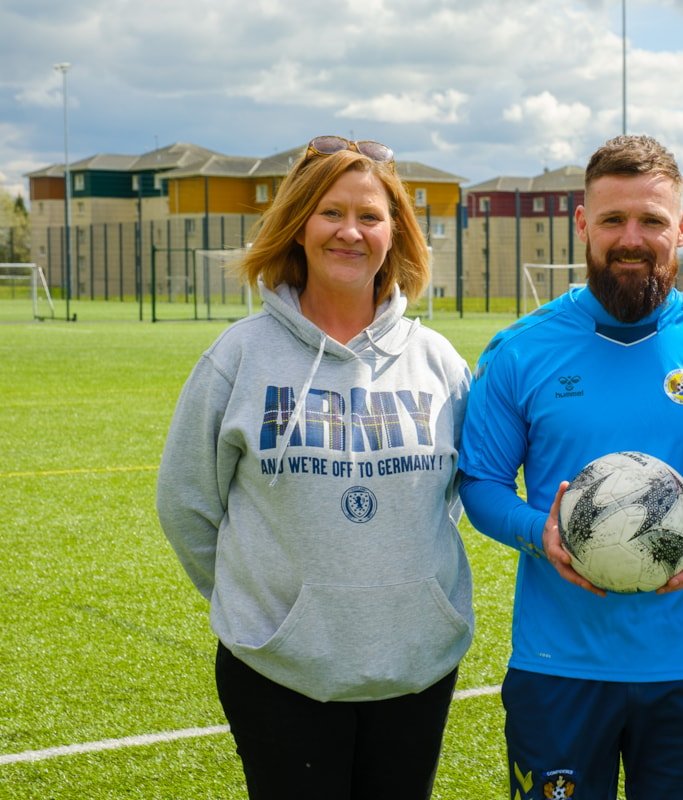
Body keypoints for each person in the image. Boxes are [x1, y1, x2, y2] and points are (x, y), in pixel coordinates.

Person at [458, 134, 683, 800]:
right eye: (612, 220)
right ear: (583, 224)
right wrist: (535, 532)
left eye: (652, 221)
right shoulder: (520, 351)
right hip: (559, 667)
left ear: (682, 229)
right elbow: (481, 483)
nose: (631, 238)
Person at [156, 135, 473, 800]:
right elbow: (186, 503)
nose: (350, 232)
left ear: (396, 233)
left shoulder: (438, 360)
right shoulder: (240, 356)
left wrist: (418, 601)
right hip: (280, 672)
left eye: (370, 216)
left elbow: (454, 498)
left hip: (415, 667)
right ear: (299, 225)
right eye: (331, 212)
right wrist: (268, 610)